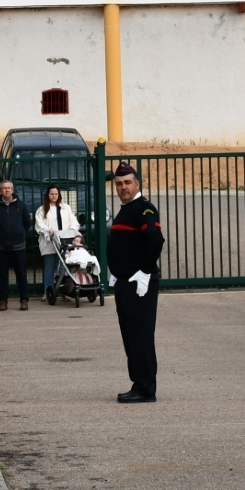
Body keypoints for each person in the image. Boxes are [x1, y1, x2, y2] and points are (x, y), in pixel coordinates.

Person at [108, 162, 164, 403]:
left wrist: (145, 271)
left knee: (140, 335)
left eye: (128, 182)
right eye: (119, 183)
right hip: (125, 281)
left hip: (139, 283)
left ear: (137, 184)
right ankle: (139, 383)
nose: (123, 187)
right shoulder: (126, 209)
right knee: (131, 336)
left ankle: (145, 388)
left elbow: (155, 239)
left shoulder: (144, 209)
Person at [0, 180, 30, 311]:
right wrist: (1, 234)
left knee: (21, 274)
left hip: (19, 246)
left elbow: (27, 223)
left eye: (9, 188)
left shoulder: (21, 206)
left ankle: (24, 300)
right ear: (0, 190)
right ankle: (3, 301)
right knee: (3, 275)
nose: (6, 190)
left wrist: (19, 233)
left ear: (12, 190)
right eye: (4, 188)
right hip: (2, 246)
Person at [36, 185, 79, 305]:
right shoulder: (42, 209)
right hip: (49, 241)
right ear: (48, 195)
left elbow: (73, 221)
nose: (54, 196)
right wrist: (48, 230)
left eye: (56, 194)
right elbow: (39, 224)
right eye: (51, 194)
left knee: (63, 267)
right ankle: (48, 291)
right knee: (49, 267)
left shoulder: (66, 208)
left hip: (63, 241)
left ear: (59, 195)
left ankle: (64, 292)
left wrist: (71, 229)